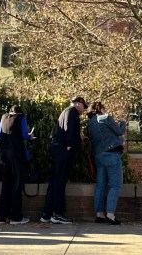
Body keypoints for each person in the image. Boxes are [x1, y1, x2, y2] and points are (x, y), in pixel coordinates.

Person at [39, 96, 86, 225]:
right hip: (63, 150)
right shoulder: (72, 112)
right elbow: (69, 129)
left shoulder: (64, 111)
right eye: (83, 107)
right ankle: (58, 214)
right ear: (78, 104)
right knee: (60, 182)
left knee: (54, 182)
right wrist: (70, 144)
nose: (83, 110)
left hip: (57, 149)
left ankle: (46, 213)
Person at [87, 101, 126, 225]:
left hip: (98, 156)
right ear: (101, 109)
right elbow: (119, 131)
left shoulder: (90, 124)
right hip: (111, 154)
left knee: (100, 185)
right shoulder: (105, 118)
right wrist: (123, 122)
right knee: (115, 184)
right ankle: (110, 214)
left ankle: (99, 214)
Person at [0, 106, 33, 225]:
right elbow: (24, 135)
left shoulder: (3, 117)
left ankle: (2, 216)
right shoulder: (22, 118)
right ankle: (15, 217)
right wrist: (30, 136)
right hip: (17, 154)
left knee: (6, 184)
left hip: (4, 153)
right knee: (17, 184)